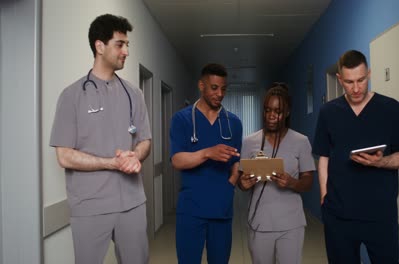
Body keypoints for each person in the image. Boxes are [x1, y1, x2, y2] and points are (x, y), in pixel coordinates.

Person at [50, 14, 151, 264]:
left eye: (127, 45)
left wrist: (134, 156)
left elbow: (145, 142)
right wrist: (112, 163)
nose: (126, 51)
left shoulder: (134, 94)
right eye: (120, 44)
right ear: (99, 46)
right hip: (90, 205)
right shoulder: (72, 96)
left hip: (132, 202)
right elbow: (64, 155)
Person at [313, 50, 399, 264]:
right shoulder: (328, 112)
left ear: (368, 74)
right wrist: (324, 196)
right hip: (338, 215)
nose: (356, 88)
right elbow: (323, 156)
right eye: (349, 82)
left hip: (380, 215)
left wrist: (381, 162)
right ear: (339, 79)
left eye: (361, 80)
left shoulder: (393, 110)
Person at [169, 63, 243, 264]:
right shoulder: (182, 120)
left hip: (221, 208)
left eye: (223, 89)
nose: (219, 94)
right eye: (214, 88)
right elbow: (177, 160)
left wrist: (231, 183)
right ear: (201, 86)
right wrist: (208, 153)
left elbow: (236, 161)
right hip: (191, 210)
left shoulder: (233, 123)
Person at [239, 83, 315, 264]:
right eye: (267, 110)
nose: (271, 116)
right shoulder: (250, 142)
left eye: (277, 111)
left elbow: (308, 181)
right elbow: (240, 182)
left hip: (291, 224)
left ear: (287, 112)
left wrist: (291, 183)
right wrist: (244, 184)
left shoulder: (301, 141)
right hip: (260, 222)